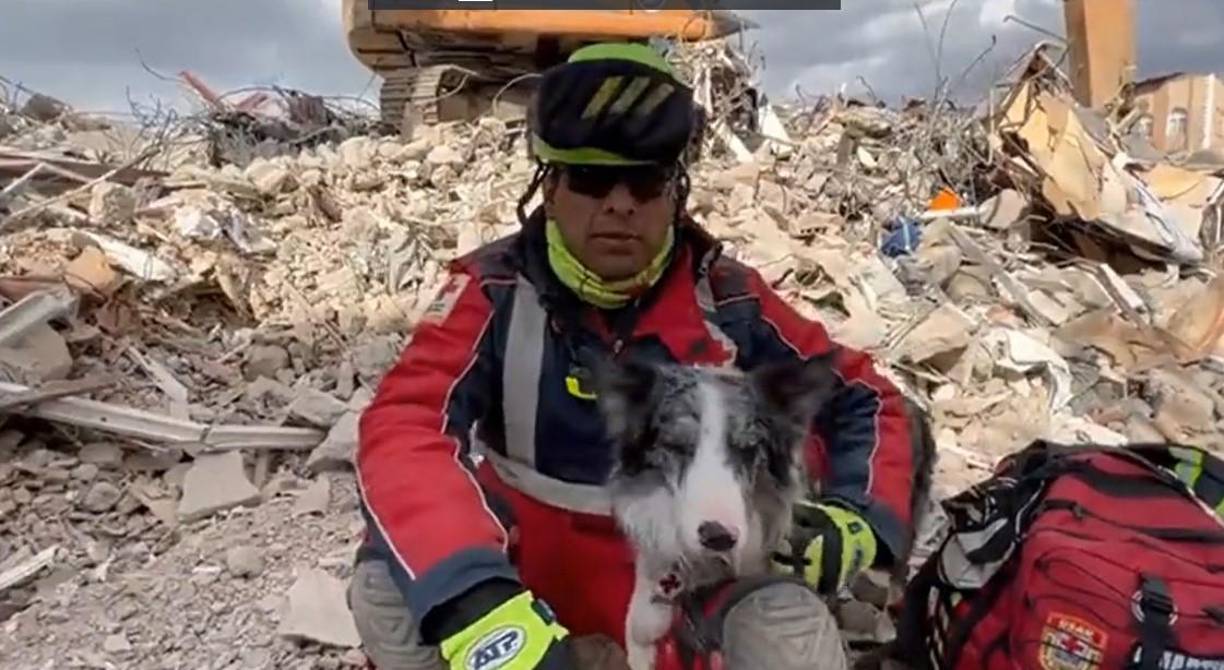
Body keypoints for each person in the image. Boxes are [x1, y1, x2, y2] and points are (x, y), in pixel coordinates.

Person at [348, 42, 918, 670]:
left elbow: (866, 396)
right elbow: (406, 425)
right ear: (550, 186)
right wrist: (474, 602)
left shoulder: (731, 302)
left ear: (676, 191)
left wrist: (858, 517)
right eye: (591, 179)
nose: (619, 204)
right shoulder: (493, 294)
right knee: (388, 587)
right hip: (527, 586)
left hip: (686, 585)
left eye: (645, 181)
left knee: (787, 631)